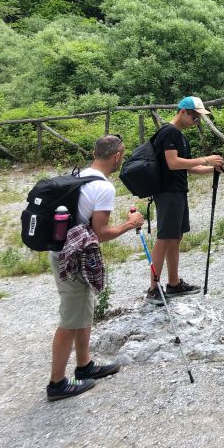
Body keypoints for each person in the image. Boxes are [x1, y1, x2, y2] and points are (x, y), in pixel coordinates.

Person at [47, 135, 145, 401]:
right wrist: (130, 223)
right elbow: (100, 233)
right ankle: (56, 383)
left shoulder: (81, 174)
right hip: (74, 256)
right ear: (117, 156)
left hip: (63, 252)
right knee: (70, 319)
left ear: (95, 153)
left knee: (83, 311)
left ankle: (85, 364)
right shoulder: (104, 188)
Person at [145, 96, 224, 305]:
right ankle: (154, 289)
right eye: (194, 116)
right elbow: (172, 163)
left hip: (177, 191)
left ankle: (173, 283)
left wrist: (211, 169)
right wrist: (207, 158)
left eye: (198, 117)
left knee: (175, 236)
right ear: (182, 111)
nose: (196, 121)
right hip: (168, 192)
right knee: (164, 237)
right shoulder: (169, 132)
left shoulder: (180, 136)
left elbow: (187, 167)